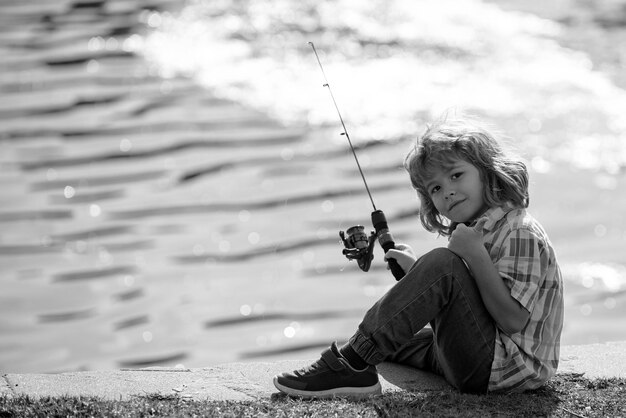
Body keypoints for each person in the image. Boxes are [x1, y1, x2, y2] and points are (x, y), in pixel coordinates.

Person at [273, 115, 564, 397]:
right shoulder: (477, 230)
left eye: (456, 175)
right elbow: (471, 300)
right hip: (477, 355)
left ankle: (352, 364)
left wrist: (473, 256)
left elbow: (513, 320)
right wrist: (417, 275)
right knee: (394, 337)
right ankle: (360, 352)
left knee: (442, 264)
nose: (447, 192)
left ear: (488, 171)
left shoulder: (519, 232)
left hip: (505, 368)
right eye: (436, 188)